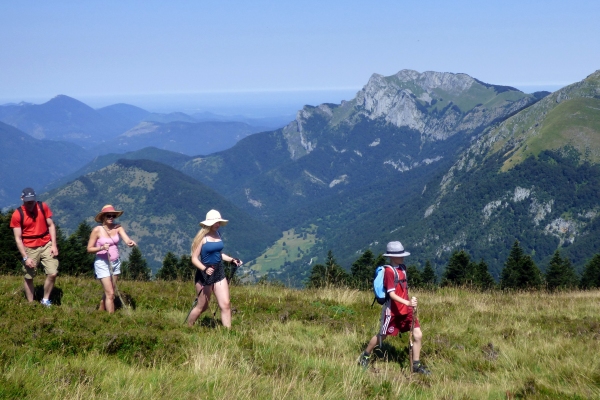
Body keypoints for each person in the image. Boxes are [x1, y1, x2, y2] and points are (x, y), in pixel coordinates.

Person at [358, 241, 430, 374]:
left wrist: (410, 301)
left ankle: (416, 364)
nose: (402, 257)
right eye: (399, 255)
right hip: (393, 311)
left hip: (406, 310)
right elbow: (391, 294)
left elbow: (403, 289)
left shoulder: (403, 268)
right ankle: (366, 355)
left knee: (418, 335)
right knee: (382, 335)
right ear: (391, 256)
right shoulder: (389, 272)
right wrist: (408, 303)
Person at [187, 209, 242, 328]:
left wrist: (232, 260)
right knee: (202, 306)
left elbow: (219, 254)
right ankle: (189, 326)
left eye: (219, 222)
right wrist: (204, 269)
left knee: (225, 304)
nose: (218, 225)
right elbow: (194, 258)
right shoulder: (202, 238)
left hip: (219, 271)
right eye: (216, 222)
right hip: (204, 274)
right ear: (209, 223)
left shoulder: (218, 235)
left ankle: (228, 333)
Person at [10, 188, 59, 306]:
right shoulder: (17, 214)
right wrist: (25, 257)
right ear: (22, 199)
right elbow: (18, 238)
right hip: (29, 246)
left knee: (53, 272)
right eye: (27, 201)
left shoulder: (43, 207)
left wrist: (54, 245)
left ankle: (45, 299)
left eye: (32, 201)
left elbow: (51, 225)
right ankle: (31, 303)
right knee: (29, 276)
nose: (30, 203)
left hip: (46, 243)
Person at [87, 205, 136, 313]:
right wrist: (101, 248)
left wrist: (130, 243)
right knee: (111, 294)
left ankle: (102, 305)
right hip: (102, 263)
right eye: (108, 216)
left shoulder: (118, 227)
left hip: (115, 262)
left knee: (112, 290)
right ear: (103, 217)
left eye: (113, 216)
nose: (111, 218)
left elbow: (126, 239)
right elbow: (89, 249)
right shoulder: (97, 230)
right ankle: (111, 319)